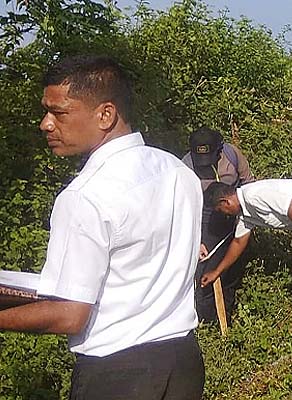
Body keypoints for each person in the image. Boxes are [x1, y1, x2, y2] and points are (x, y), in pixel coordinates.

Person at [0, 55, 205, 398]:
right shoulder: (176, 171)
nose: (45, 124)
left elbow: (70, 315)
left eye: (59, 112)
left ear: (105, 114)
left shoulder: (85, 196)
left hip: (118, 372)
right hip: (182, 361)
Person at [201, 180, 292, 328]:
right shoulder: (245, 214)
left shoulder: (253, 195)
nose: (223, 214)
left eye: (220, 210)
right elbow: (238, 242)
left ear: (225, 202)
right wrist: (216, 271)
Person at [182, 127, 255, 322]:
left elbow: (248, 184)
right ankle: (206, 320)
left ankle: (226, 314)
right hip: (204, 215)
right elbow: (183, 208)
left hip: (234, 210)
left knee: (231, 267)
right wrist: (197, 239)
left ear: (219, 150)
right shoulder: (185, 167)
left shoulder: (232, 156)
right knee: (205, 268)